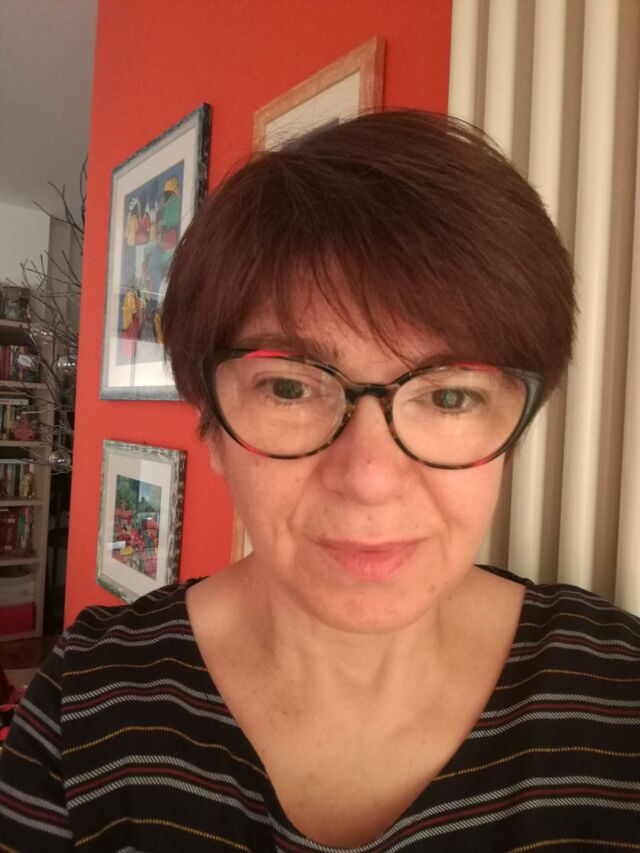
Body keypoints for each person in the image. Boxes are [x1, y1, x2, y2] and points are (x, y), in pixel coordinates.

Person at [1, 110, 638, 852]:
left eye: (449, 396)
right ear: (211, 423)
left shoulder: (617, 696)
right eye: (290, 388)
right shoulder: (85, 707)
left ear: (514, 431)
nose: (368, 478)